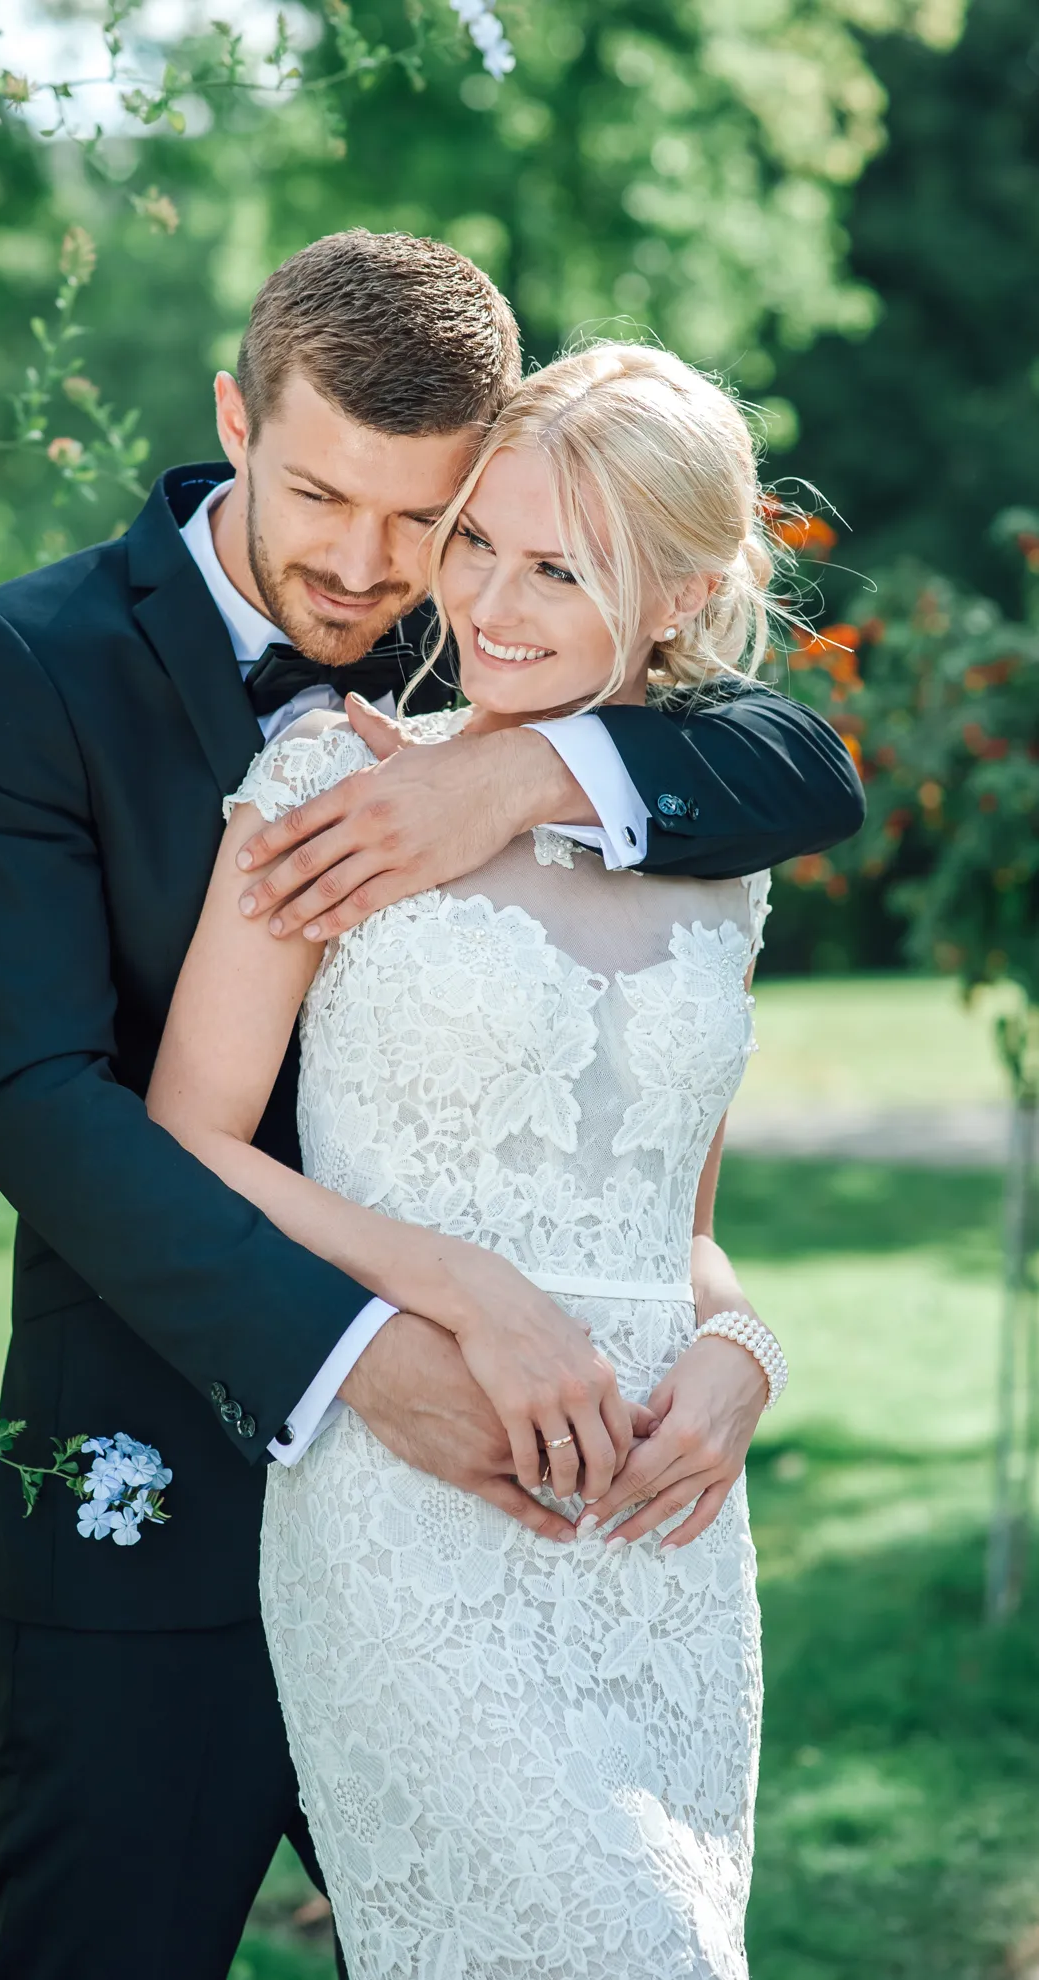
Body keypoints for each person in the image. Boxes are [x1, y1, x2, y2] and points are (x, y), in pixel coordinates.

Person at [0, 231, 861, 1978]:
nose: (370, 567)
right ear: (234, 420)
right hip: (168, 1515)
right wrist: (366, 1349)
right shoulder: (20, 664)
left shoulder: (504, 633)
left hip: (567, 1531)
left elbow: (794, 764)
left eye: (424, 517)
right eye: (320, 497)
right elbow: (44, 1104)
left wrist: (509, 777)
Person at [149, 339, 784, 1977]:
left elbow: (678, 1229)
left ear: (682, 593)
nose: (488, 604)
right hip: (419, 1497)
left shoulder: (720, 859)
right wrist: (457, 1285)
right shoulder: (326, 782)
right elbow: (188, 1142)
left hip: (658, 1532)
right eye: (474, 542)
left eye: (559, 568)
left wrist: (740, 1351)